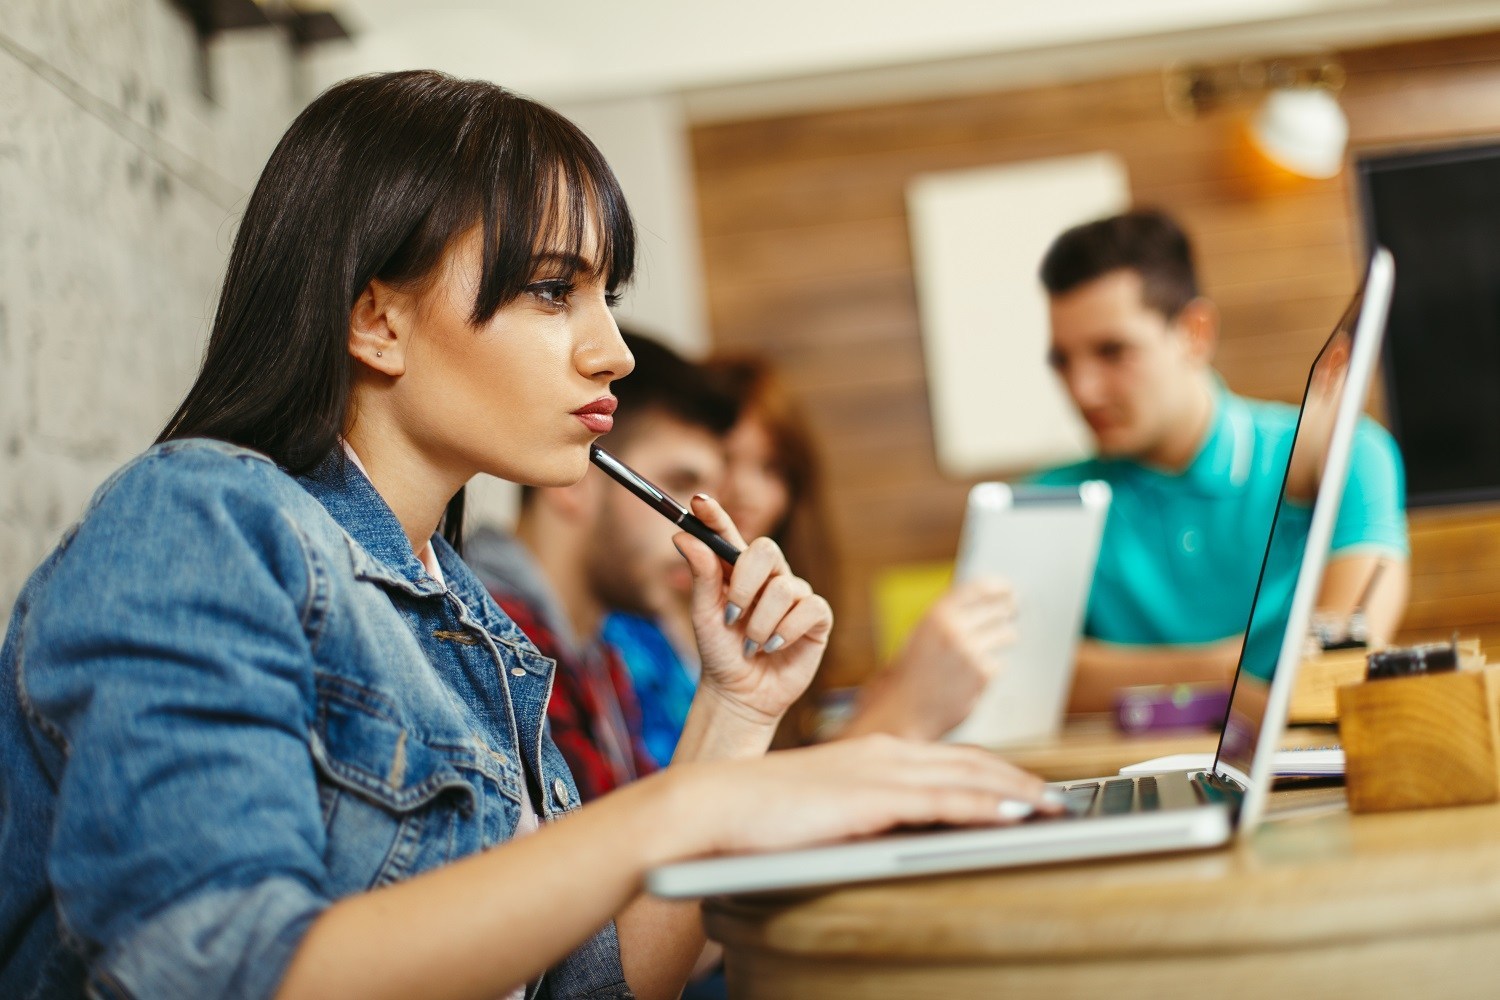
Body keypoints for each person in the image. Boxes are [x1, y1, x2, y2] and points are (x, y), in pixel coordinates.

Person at [0, 71, 1062, 1000]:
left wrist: (737, 713)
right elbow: (225, 973)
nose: (613, 352)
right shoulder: (200, 519)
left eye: (607, 296)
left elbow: (595, 988)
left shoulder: (460, 612)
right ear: (376, 319)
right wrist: (698, 806)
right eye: (555, 291)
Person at [1032, 209, 1410, 712]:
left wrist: (1124, 675)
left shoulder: (1345, 455)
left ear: (1195, 332)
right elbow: (1028, 678)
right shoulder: (1043, 503)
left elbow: (1337, 672)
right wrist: (1217, 671)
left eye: (1112, 351)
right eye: (1063, 361)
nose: (1082, 390)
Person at [611, 354, 1020, 749]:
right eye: (725, 459)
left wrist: (880, 707)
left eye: (771, 468)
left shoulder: (772, 611)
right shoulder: (631, 632)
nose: (746, 491)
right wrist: (893, 720)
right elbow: (702, 803)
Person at [467, 331, 737, 789]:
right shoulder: (487, 642)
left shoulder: (597, 653)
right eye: (676, 487)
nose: (704, 532)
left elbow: (651, 833)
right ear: (572, 480)